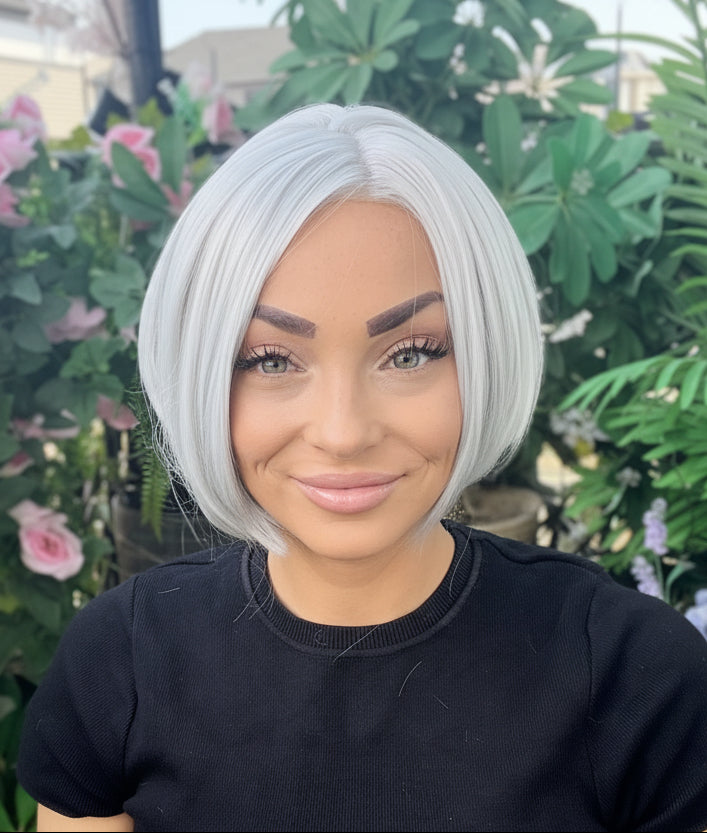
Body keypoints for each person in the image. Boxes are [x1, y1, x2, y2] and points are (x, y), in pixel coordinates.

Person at [16, 103, 707, 833]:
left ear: (483, 352)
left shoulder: (637, 678)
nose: (343, 432)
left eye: (410, 353)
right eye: (270, 359)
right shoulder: (117, 662)